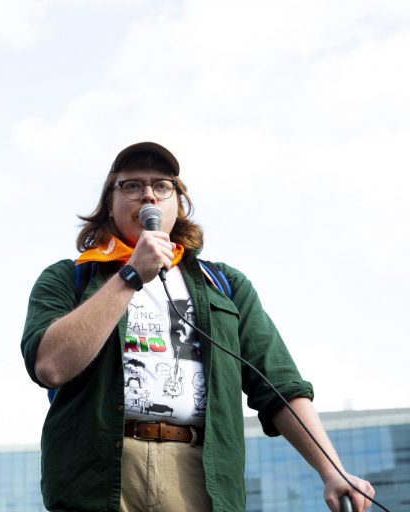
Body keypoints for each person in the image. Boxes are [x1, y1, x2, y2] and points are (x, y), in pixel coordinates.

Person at [20, 142, 375, 511]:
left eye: (162, 185)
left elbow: (280, 384)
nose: (147, 194)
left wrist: (333, 470)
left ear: (178, 203)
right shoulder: (69, 277)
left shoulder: (224, 285)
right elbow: (50, 366)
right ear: (109, 202)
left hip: (198, 473)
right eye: (131, 185)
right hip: (98, 477)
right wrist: (129, 276)